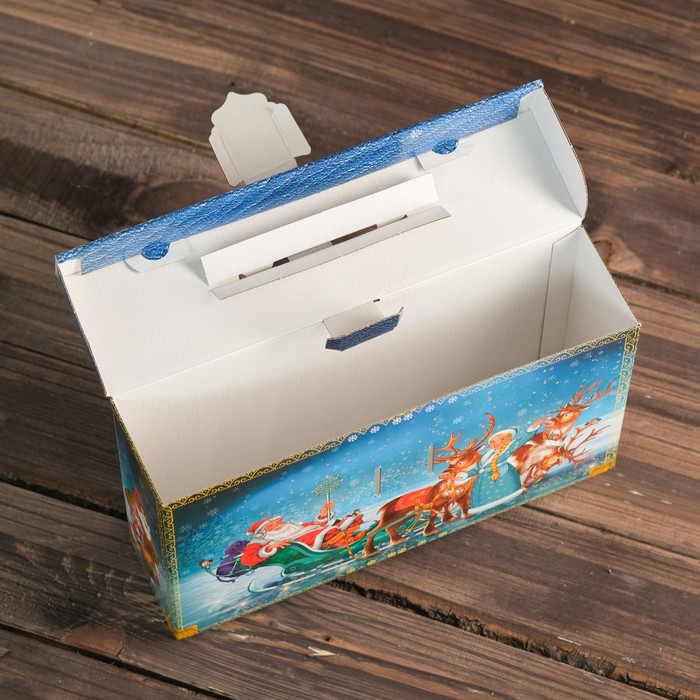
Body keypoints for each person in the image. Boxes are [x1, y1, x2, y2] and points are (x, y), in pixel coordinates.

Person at [240, 501, 364, 568]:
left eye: (280, 521)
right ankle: (345, 533)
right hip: (300, 545)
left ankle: (348, 528)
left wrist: (323, 515)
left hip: (309, 536)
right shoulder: (260, 541)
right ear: (264, 531)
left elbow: (310, 525)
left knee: (330, 524)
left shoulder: (292, 528)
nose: (281, 523)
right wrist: (270, 547)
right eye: (274, 524)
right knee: (325, 531)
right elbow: (246, 560)